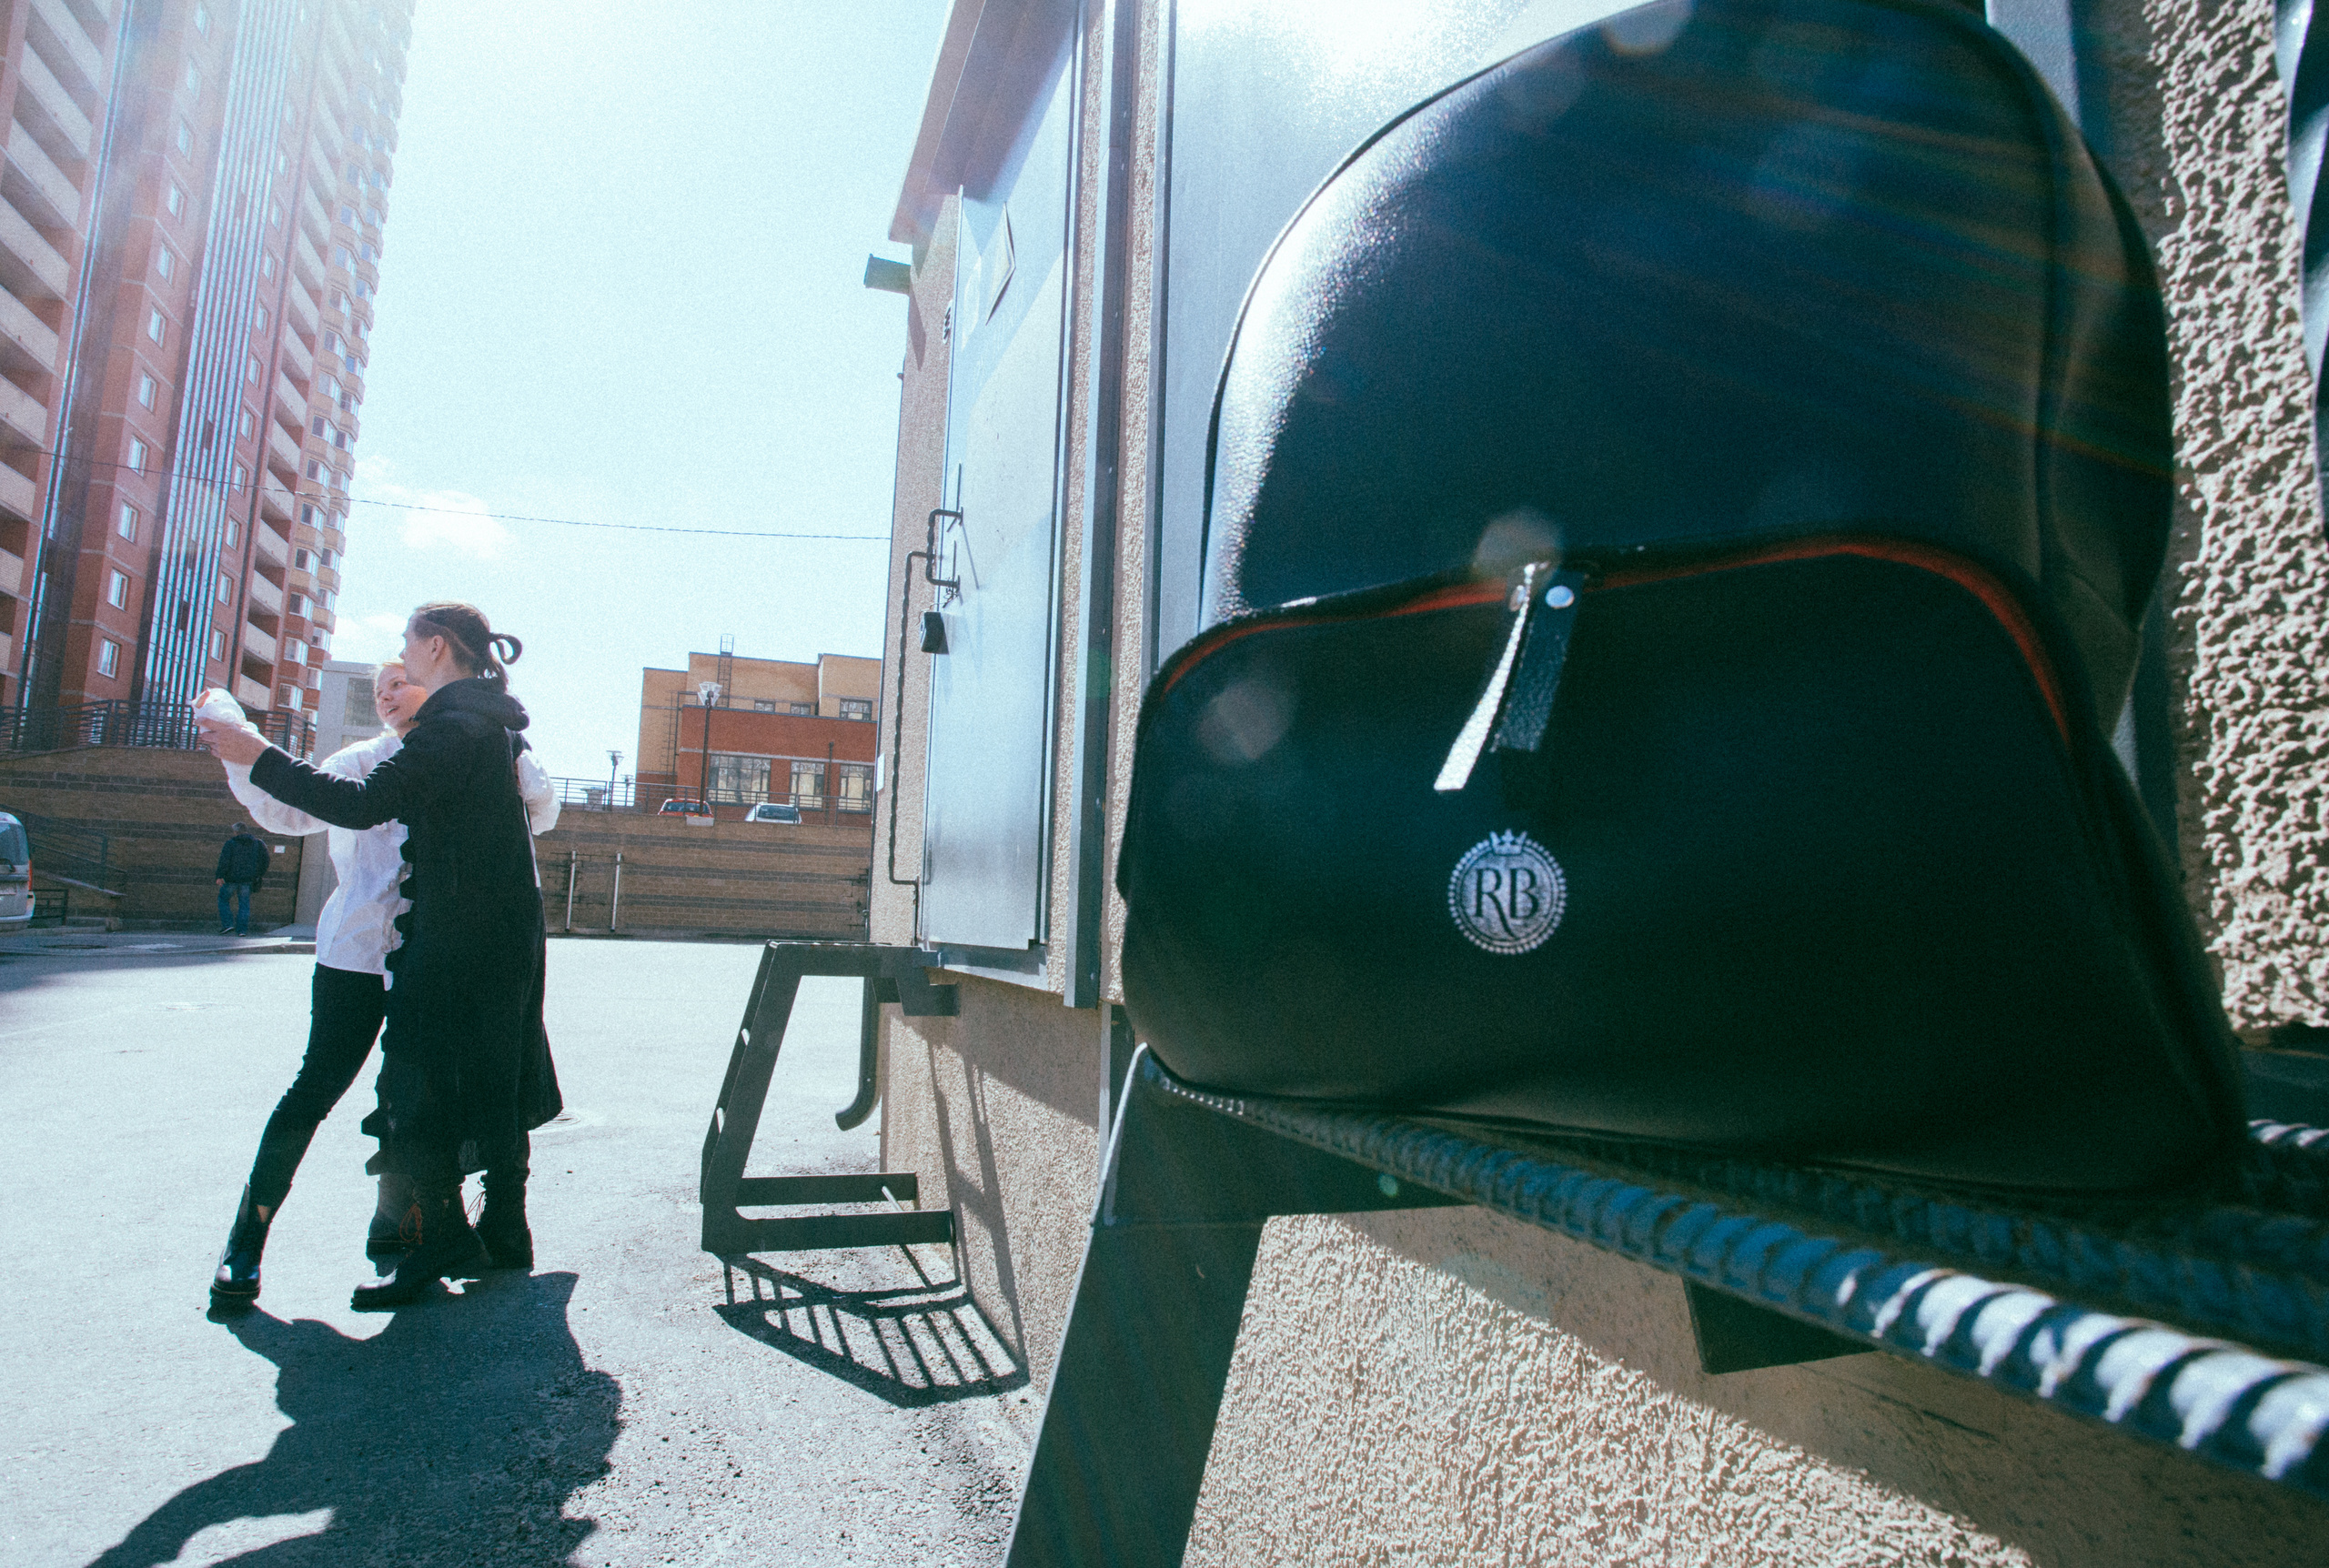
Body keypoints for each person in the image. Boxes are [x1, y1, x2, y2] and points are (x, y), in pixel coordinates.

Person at [201, 602, 559, 1310]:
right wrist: (247, 760)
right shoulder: (466, 730)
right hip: (387, 952)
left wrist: (258, 754)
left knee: (424, 1089)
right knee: (378, 1087)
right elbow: (309, 808)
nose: (392, 689)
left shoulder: (461, 734)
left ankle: (424, 1232)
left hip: (447, 941)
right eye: (380, 686)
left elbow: (373, 806)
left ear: (433, 654)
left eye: (403, 668)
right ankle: (257, 1238)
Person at [214, 822, 268, 935]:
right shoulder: (257, 843)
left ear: (235, 832)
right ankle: (242, 930)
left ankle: (228, 924)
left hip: (231, 879)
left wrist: (220, 876)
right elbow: (265, 860)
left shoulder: (230, 843)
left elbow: (224, 861)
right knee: (244, 904)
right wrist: (258, 874)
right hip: (248, 880)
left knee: (223, 900)